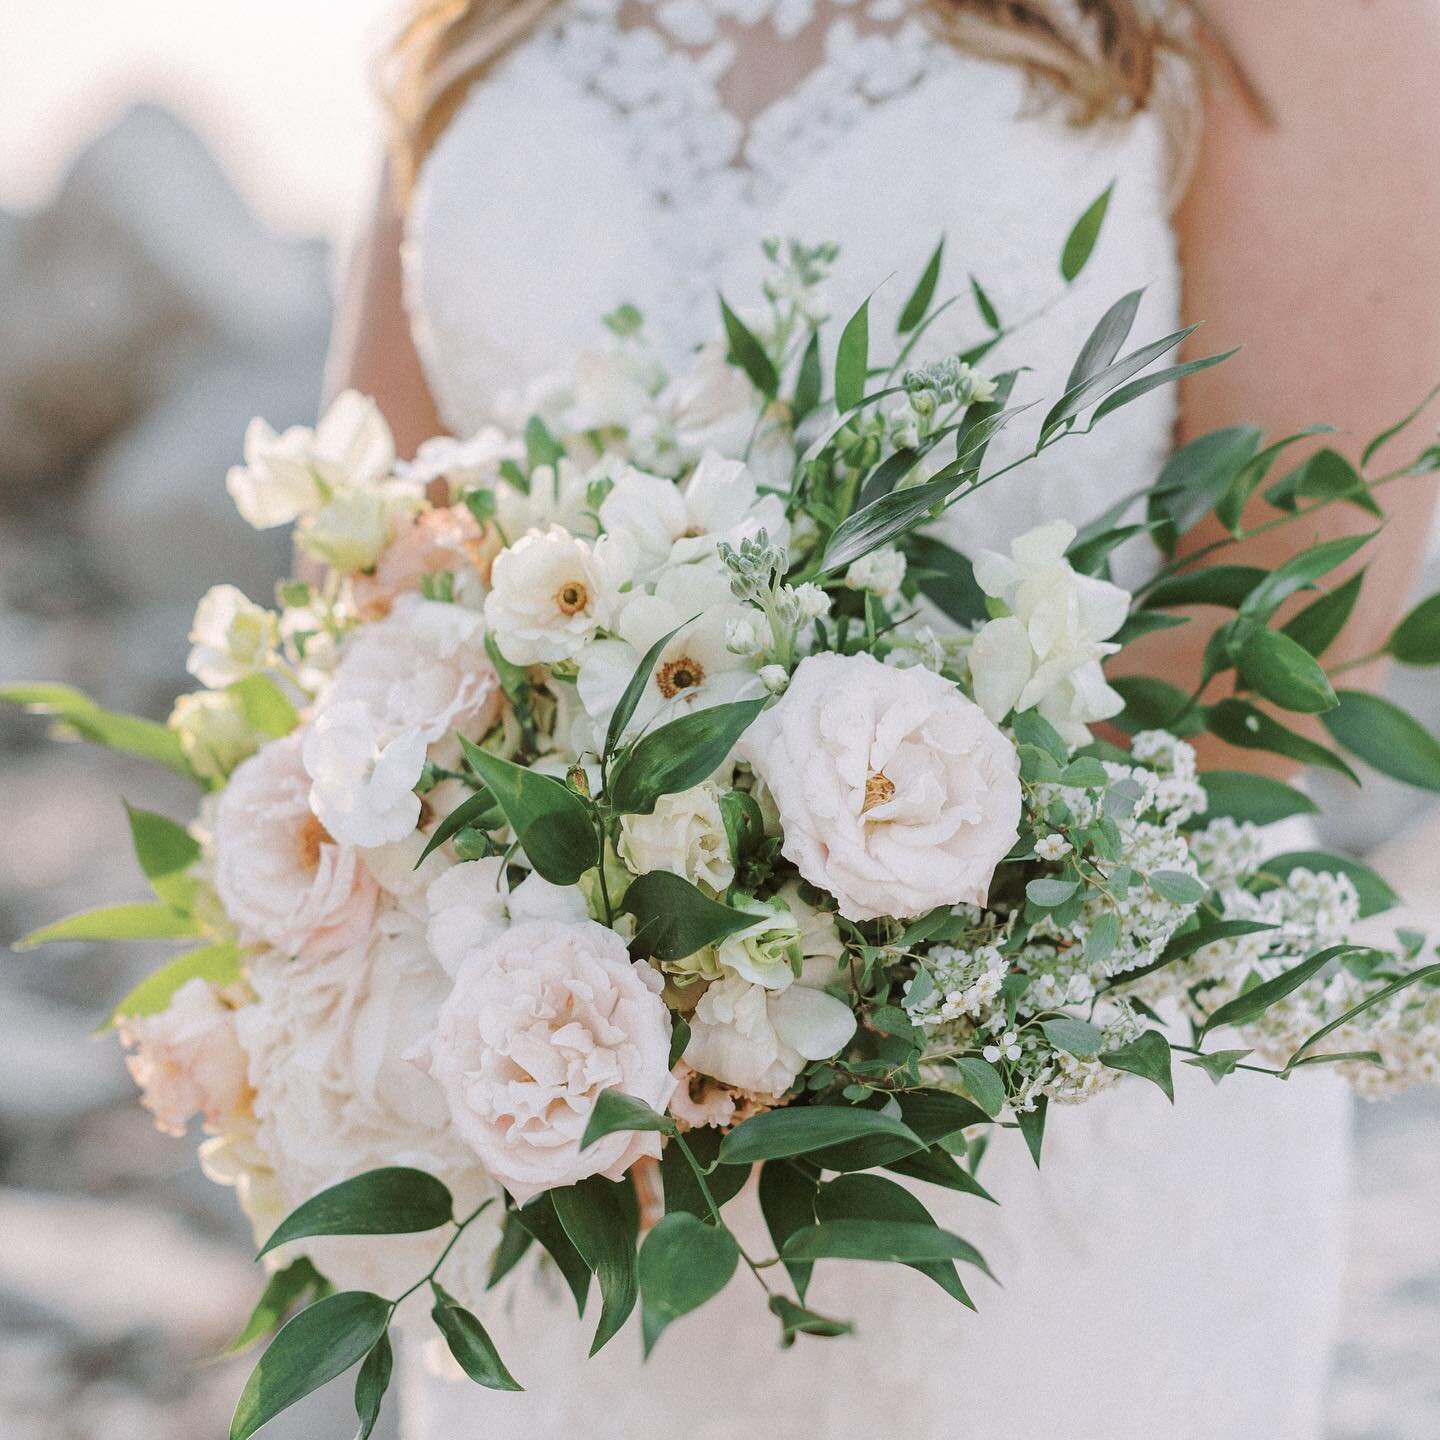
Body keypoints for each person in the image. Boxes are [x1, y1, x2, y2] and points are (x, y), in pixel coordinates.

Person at [326, 3, 1440, 1435]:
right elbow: (381, 538)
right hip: (554, 1110)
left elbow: (1298, 597)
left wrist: (826, 943)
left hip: (1051, 1092)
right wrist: (562, 947)